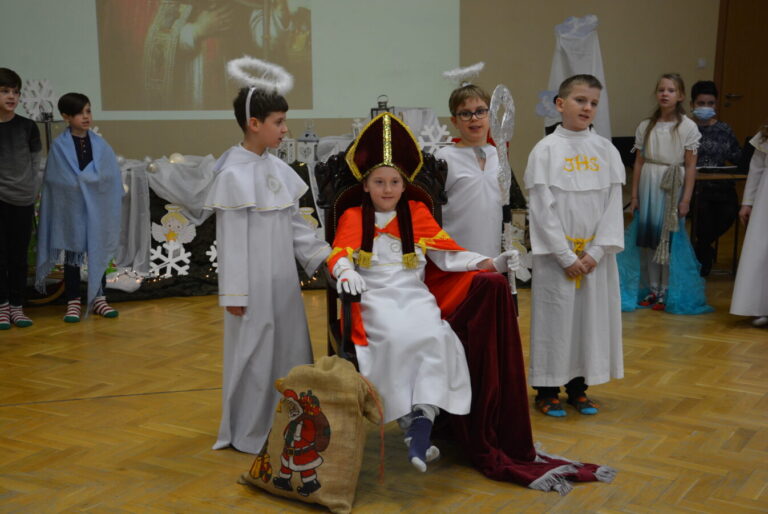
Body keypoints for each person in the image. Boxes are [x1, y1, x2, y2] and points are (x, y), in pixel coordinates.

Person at [328, 113, 517, 471]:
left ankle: (421, 421)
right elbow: (338, 253)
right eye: (379, 181)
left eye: (394, 182)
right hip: (374, 297)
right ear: (366, 185)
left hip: (413, 295)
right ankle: (410, 422)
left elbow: (447, 255)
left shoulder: (416, 212)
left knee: (434, 335)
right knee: (395, 337)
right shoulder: (354, 215)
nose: (387, 189)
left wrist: (487, 263)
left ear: (404, 184)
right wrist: (346, 271)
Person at [203, 66, 330, 454]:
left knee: (291, 352)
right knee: (255, 358)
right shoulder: (232, 174)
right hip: (252, 288)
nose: (285, 129)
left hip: (283, 284)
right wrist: (235, 293)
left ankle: (291, 425)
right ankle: (250, 429)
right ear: (253, 123)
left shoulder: (278, 169)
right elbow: (231, 241)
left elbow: (295, 226)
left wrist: (323, 257)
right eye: (278, 122)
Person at [523, 74, 625, 417]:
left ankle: (579, 388)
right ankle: (547, 389)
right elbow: (541, 209)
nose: (587, 107)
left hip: (594, 257)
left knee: (588, 321)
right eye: (580, 100)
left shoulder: (605, 150)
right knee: (555, 320)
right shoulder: (546, 151)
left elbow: (613, 204)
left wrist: (595, 252)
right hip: (558, 257)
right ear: (560, 104)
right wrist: (566, 255)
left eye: (594, 103)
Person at [620, 73, 712, 314]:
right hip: (650, 183)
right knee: (649, 239)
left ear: (680, 95)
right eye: (661, 89)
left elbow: (691, 165)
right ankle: (652, 289)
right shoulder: (645, 126)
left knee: (667, 241)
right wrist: (636, 196)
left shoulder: (687, 127)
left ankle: (665, 289)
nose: (665, 94)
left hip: (673, 185)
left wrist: (685, 199)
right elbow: (639, 163)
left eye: (671, 90)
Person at [35, 93, 123, 322]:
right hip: (71, 209)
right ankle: (73, 301)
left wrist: (91, 183)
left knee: (99, 250)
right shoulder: (59, 146)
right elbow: (55, 180)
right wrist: (78, 184)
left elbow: (109, 175)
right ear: (66, 116)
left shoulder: (100, 145)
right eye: (79, 113)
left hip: (97, 209)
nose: (85, 117)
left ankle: (99, 298)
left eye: (88, 111)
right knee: (72, 256)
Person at [434, 82, 501, 257]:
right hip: (455, 255)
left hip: (490, 253)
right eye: (465, 113)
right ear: (454, 121)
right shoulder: (444, 158)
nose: (474, 118)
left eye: (480, 111)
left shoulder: (498, 156)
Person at [0, 68, 42, 330]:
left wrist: (30, 190)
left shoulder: (27, 126)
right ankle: (2, 306)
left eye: (15, 92)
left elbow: (35, 163)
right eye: (5, 91)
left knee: (18, 256)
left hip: (23, 199)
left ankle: (17, 306)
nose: (11, 96)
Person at [689, 80, 742, 276]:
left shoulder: (724, 130)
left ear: (716, 104)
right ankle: (703, 255)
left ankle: (702, 249)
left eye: (710, 103)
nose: (706, 107)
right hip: (696, 189)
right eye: (701, 103)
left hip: (721, 187)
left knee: (728, 213)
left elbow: (737, 156)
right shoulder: (687, 129)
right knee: (703, 216)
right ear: (692, 104)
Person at [730, 122, 768, 327]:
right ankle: (762, 306)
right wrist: (747, 202)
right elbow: (756, 170)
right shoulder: (765, 135)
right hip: (766, 199)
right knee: (762, 252)